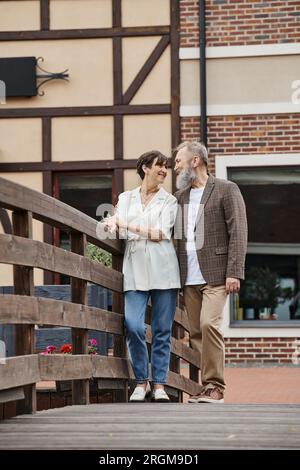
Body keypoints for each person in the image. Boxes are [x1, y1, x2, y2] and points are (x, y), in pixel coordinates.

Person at [103, 150, 180, 402]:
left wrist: (123, 223)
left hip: (164, 271)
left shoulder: (169, 201)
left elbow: (159, 233)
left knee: (161, 330)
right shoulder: (126, 198)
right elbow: (118, 230)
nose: (164, 171)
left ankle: (158, 384)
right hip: (135, 270)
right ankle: (141, 381)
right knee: (133, 326)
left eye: (166, 167)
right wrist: (114, 222)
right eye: (160, 166)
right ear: (145, 167)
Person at [173, 141, 247, 403]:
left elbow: (238, 232)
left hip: (217, 274)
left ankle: (216, 387)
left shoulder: (226, 189)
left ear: (195, 161)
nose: (175, 166)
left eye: (179, 161)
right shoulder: (180, 196)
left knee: (208, 324)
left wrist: (234, 272)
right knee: (195, 332)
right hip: (188, 276)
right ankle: (207, 387)